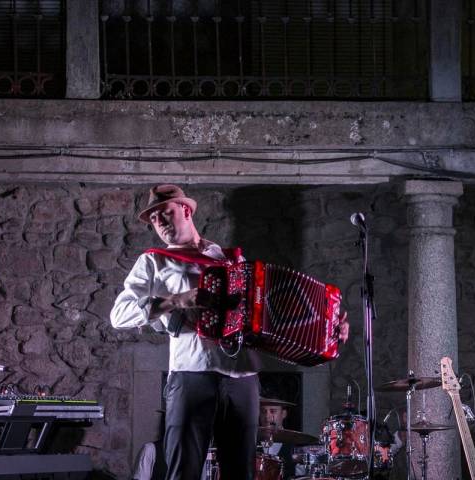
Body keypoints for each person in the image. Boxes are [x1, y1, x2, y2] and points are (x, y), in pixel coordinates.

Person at [111, 185, 348, 480]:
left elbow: (274, 311)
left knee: (241, 473)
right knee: (183, 471)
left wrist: (327, 329)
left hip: (242, 377)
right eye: (154, 218)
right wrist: (175, 300)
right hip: (191, 374)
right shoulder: (154, 261)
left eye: (165, 212)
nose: (159, 221)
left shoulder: (231, 260)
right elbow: (119, 315)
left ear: (186, 210)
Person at [259, 400, 296, 478]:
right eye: (263, 411)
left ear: (284, 414)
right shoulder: (250, 441)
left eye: (273, 411)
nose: (267, 417)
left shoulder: (297, 442)